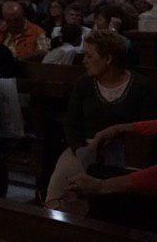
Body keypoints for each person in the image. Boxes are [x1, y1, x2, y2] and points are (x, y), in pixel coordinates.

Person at [44, 30, 156, 212]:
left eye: (89, 55)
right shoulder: (84, 83)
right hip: (83, 147)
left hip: (125, 153)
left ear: (108, 58)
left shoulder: (141, 86)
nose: (84, 60)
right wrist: (81, 150)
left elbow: (146, 128)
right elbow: (72, 123)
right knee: (63, 179)